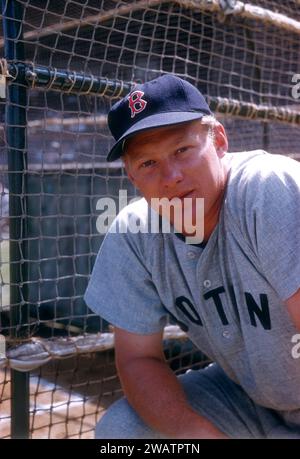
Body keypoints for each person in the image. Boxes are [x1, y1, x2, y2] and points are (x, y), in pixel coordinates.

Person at [84, 74, 300, 439]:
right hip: (252, 403)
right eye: (148, 164)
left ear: (218, 140)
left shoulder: (267, 188)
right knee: (123, 432)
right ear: (131, 177)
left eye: (182, 150)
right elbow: (139, 360)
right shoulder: (135, 233)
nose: (171, 176)